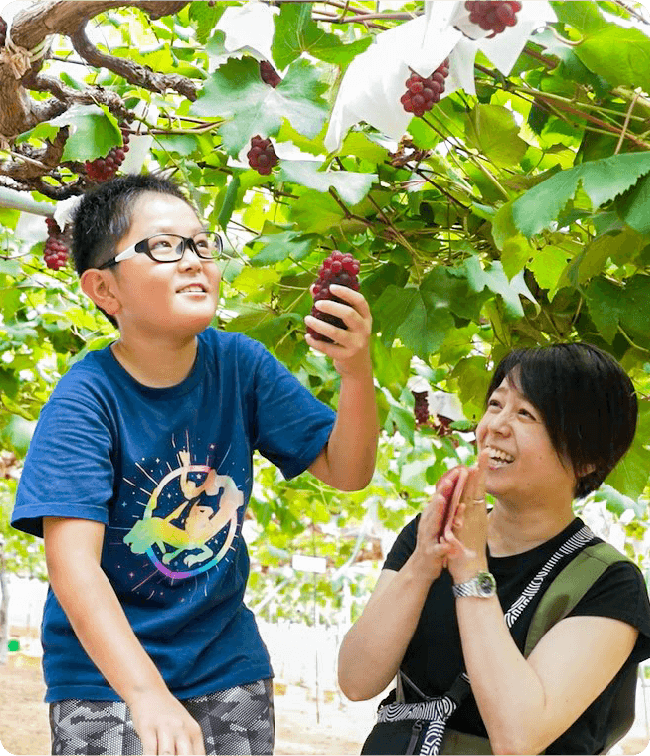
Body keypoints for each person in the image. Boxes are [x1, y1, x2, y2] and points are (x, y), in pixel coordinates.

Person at [11, 174, 379, 756]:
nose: (192, 261)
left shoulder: (242, 365)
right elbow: (73, 566)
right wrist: (147, 694)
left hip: (226, 667)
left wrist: (356, 373)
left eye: (201, 245)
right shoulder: (86, 399)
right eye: (163, 246)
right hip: (105, 677)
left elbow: (348, 470)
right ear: (104, 290)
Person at [338, 343, 650, 756]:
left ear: (587, 458)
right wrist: (422, 564)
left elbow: (518, 736)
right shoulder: (428, 535)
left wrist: (470, 571)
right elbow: (356, 680)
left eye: (526, 414)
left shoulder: (609, 583)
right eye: (496, 404)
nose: (496, 426)